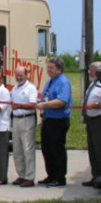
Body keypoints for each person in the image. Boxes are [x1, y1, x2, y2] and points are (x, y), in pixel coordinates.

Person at [37, 57, 72, 187]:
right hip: (47, 120)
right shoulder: (50, 81)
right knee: (47, 149)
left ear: (59, 69)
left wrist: (45, 105)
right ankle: (50, 175)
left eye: (51, 68)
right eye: (48, 67)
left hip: (58, 121)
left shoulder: (63, 82)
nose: (48, 70)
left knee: (57, 150)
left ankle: (59, 177)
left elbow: (61, 101)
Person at [10, 65, 38, 188]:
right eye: (17, 75)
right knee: (17, 150)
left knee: (28, 149)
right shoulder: (14, 88)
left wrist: (19, 106)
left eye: (21, 75)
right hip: (16, 120)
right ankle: (21, 174)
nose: (18, 77)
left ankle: (30, 177)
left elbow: (32, 104)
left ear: (26, 75)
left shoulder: (31, 88)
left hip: (27, 119)